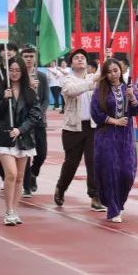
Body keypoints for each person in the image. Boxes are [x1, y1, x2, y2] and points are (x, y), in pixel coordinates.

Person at [89, 58, 138, 223]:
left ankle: (118, 203)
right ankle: (113, 209)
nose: (113, 74)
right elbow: (96, 113)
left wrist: (132, 97)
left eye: (115, 70)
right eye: (109, 72)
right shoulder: (100, 91)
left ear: (121, 70)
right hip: (106, 137)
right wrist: (115, 121)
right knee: (110, 172)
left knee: (127, 173)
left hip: (125, 137)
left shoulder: (129, 88)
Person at [0, 57, 41, 226]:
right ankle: (9, 210)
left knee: (19, 177)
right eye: (11, 70)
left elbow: (35, 114)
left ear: (23, 71)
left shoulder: (30, 91)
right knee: (11, 173)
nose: (14, 73)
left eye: (18, 70)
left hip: (23, 139)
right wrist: (4, 100)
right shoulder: (0, 90)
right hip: (4, 138)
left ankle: (14, 210)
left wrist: (21, 129)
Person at [53, 49, 106, 212]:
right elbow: (72, 91)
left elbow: (103, 75)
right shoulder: (67, 80)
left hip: (92, 127)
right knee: (71, 163)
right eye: (76, 58)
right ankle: (61, 188)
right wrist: (92, 81)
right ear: (71, 63)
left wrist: (107, 57)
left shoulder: (92, 78)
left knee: (94, 162)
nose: (80, 59)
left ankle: (95, 196)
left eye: (83, 57)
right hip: (73, 128)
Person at [19, 46, 48, 196]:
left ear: (35, 58)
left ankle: (33, 174)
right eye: (26, 56)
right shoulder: (19, 76)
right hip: (24, 121)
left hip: (39, 121)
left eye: (31, 56)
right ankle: (26, 187)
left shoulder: (41, 76)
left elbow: (46, 100)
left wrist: (38, 114)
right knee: (26, 154)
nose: (29, 59)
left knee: (41, 154)